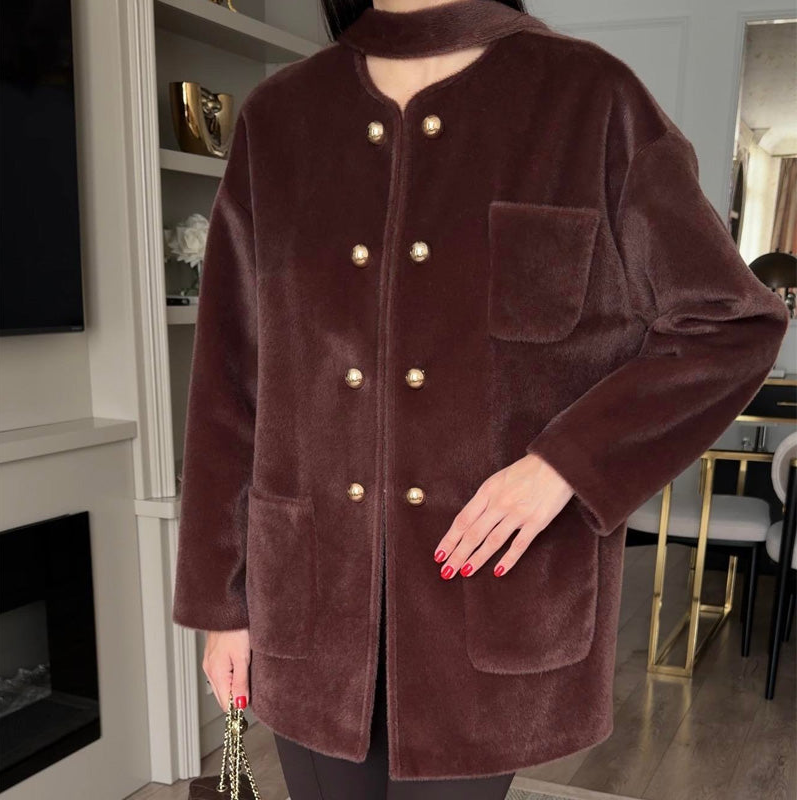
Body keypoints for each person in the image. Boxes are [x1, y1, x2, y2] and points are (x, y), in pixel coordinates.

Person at [172, 1, 791, 798]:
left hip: (490, 603)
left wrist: (564, 466)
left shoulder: (591, 100)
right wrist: (222, 604)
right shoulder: (279, 118)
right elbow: (229, 382)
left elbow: (730, 325)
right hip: (306, 606)